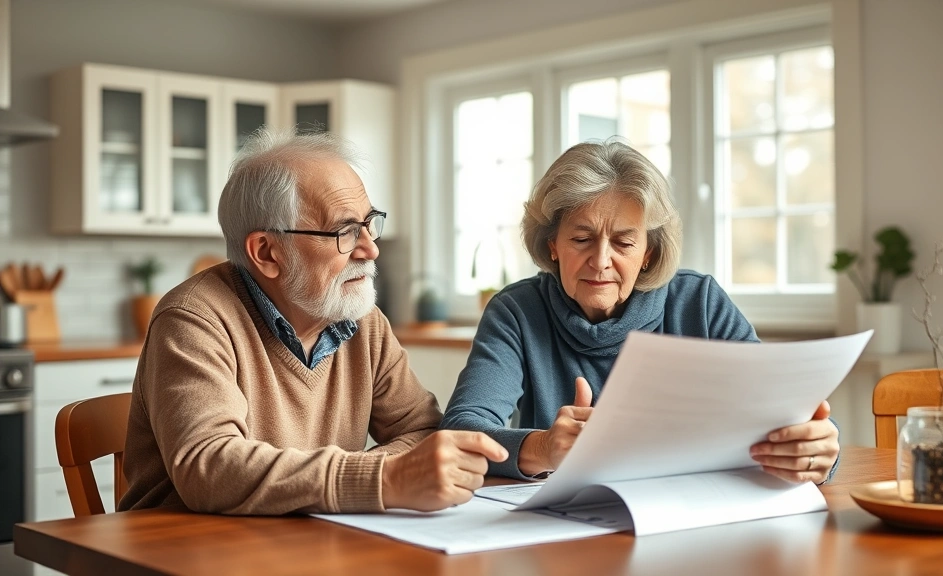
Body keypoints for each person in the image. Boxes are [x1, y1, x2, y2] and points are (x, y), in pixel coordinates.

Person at [120, 129, 507, 515]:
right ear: (267, 251)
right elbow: (211, 468)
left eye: (369, 222)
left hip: (313, 544)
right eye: (344, 231)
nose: (370, 248)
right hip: (187, 554)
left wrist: (388, 473)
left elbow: (421, 431)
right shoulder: (193, 320)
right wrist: (385, 478)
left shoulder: (362, 319)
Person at [440, 141, 839, 483]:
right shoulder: (516, 311)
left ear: (648, 252)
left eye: (624, 243)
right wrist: (542, 448)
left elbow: (785, 413)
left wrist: (816, 450)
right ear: (552, 245)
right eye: (581, 239)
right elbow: (461, 429)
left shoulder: (698, 303)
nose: (600, 261)